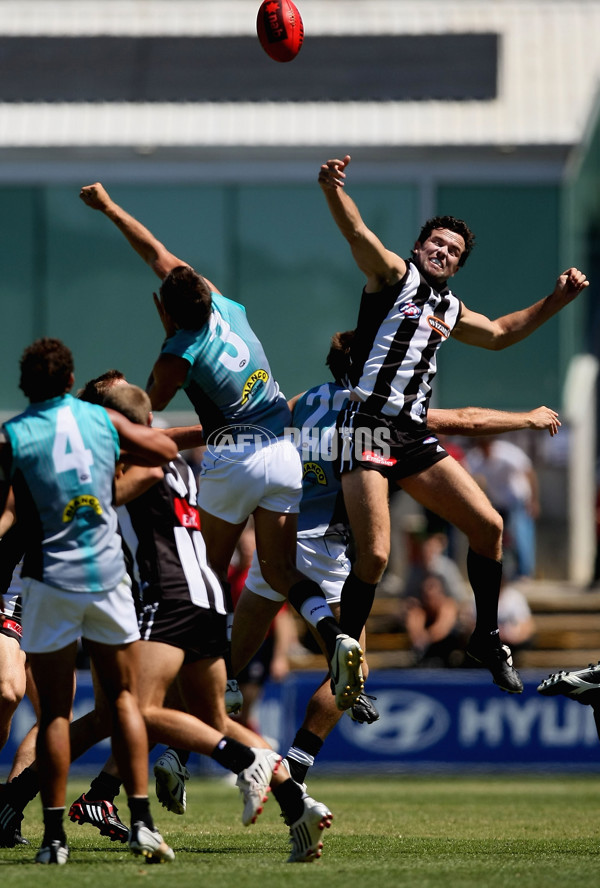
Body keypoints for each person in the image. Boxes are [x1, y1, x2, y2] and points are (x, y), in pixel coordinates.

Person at [230, 331, 562, 787]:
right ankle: (296, 767)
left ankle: (177, 756)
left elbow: (252, 436)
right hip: (327, 551)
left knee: (227, 664)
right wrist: (524, 419)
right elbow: (462, 419)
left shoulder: (305, 401)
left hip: (279, 541)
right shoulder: (381, 408)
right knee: (352, 670)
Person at [78, 183, 364, 713]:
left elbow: (143, 409)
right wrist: (113, 205)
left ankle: (218, 682)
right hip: (283, 453)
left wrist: (165, 345)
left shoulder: (178, 352)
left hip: (234, 459)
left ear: (167, 309)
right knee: (279, 572)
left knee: (201, 576)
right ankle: (332, 631)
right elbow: (157, 252)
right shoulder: (222, 302)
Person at [318, 153, 588, 696]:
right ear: (420, 248)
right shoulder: (395, 275)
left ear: (458, 265)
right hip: (366, 425)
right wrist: (332, 187)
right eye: (436, 243)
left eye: (454, 251)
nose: (443, 252)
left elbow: (502, 332)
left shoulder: (449, 307)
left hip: (412, 433)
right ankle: (348, 652)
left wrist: (557, 300)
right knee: (374, 555)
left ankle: (486, 636)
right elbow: (355, 231)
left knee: (489, 526)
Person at [0, 338, 179, 865]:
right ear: (68, 378)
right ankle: (143, 823)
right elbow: (165, 449)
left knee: (55, 713)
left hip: (49, 580)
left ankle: (53, 838)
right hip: (107, 575)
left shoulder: (15, 435)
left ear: (24, 383)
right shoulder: (99, 420)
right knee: (124, 702)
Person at [464, 435, 539, 578]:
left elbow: (529, 472)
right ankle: (507, 571)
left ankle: (524, 572)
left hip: (517, 501)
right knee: (502, 539)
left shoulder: (507, 453)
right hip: (498, 504)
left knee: (520, 535)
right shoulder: (476, 458)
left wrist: (533, 500)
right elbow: (469, 477)